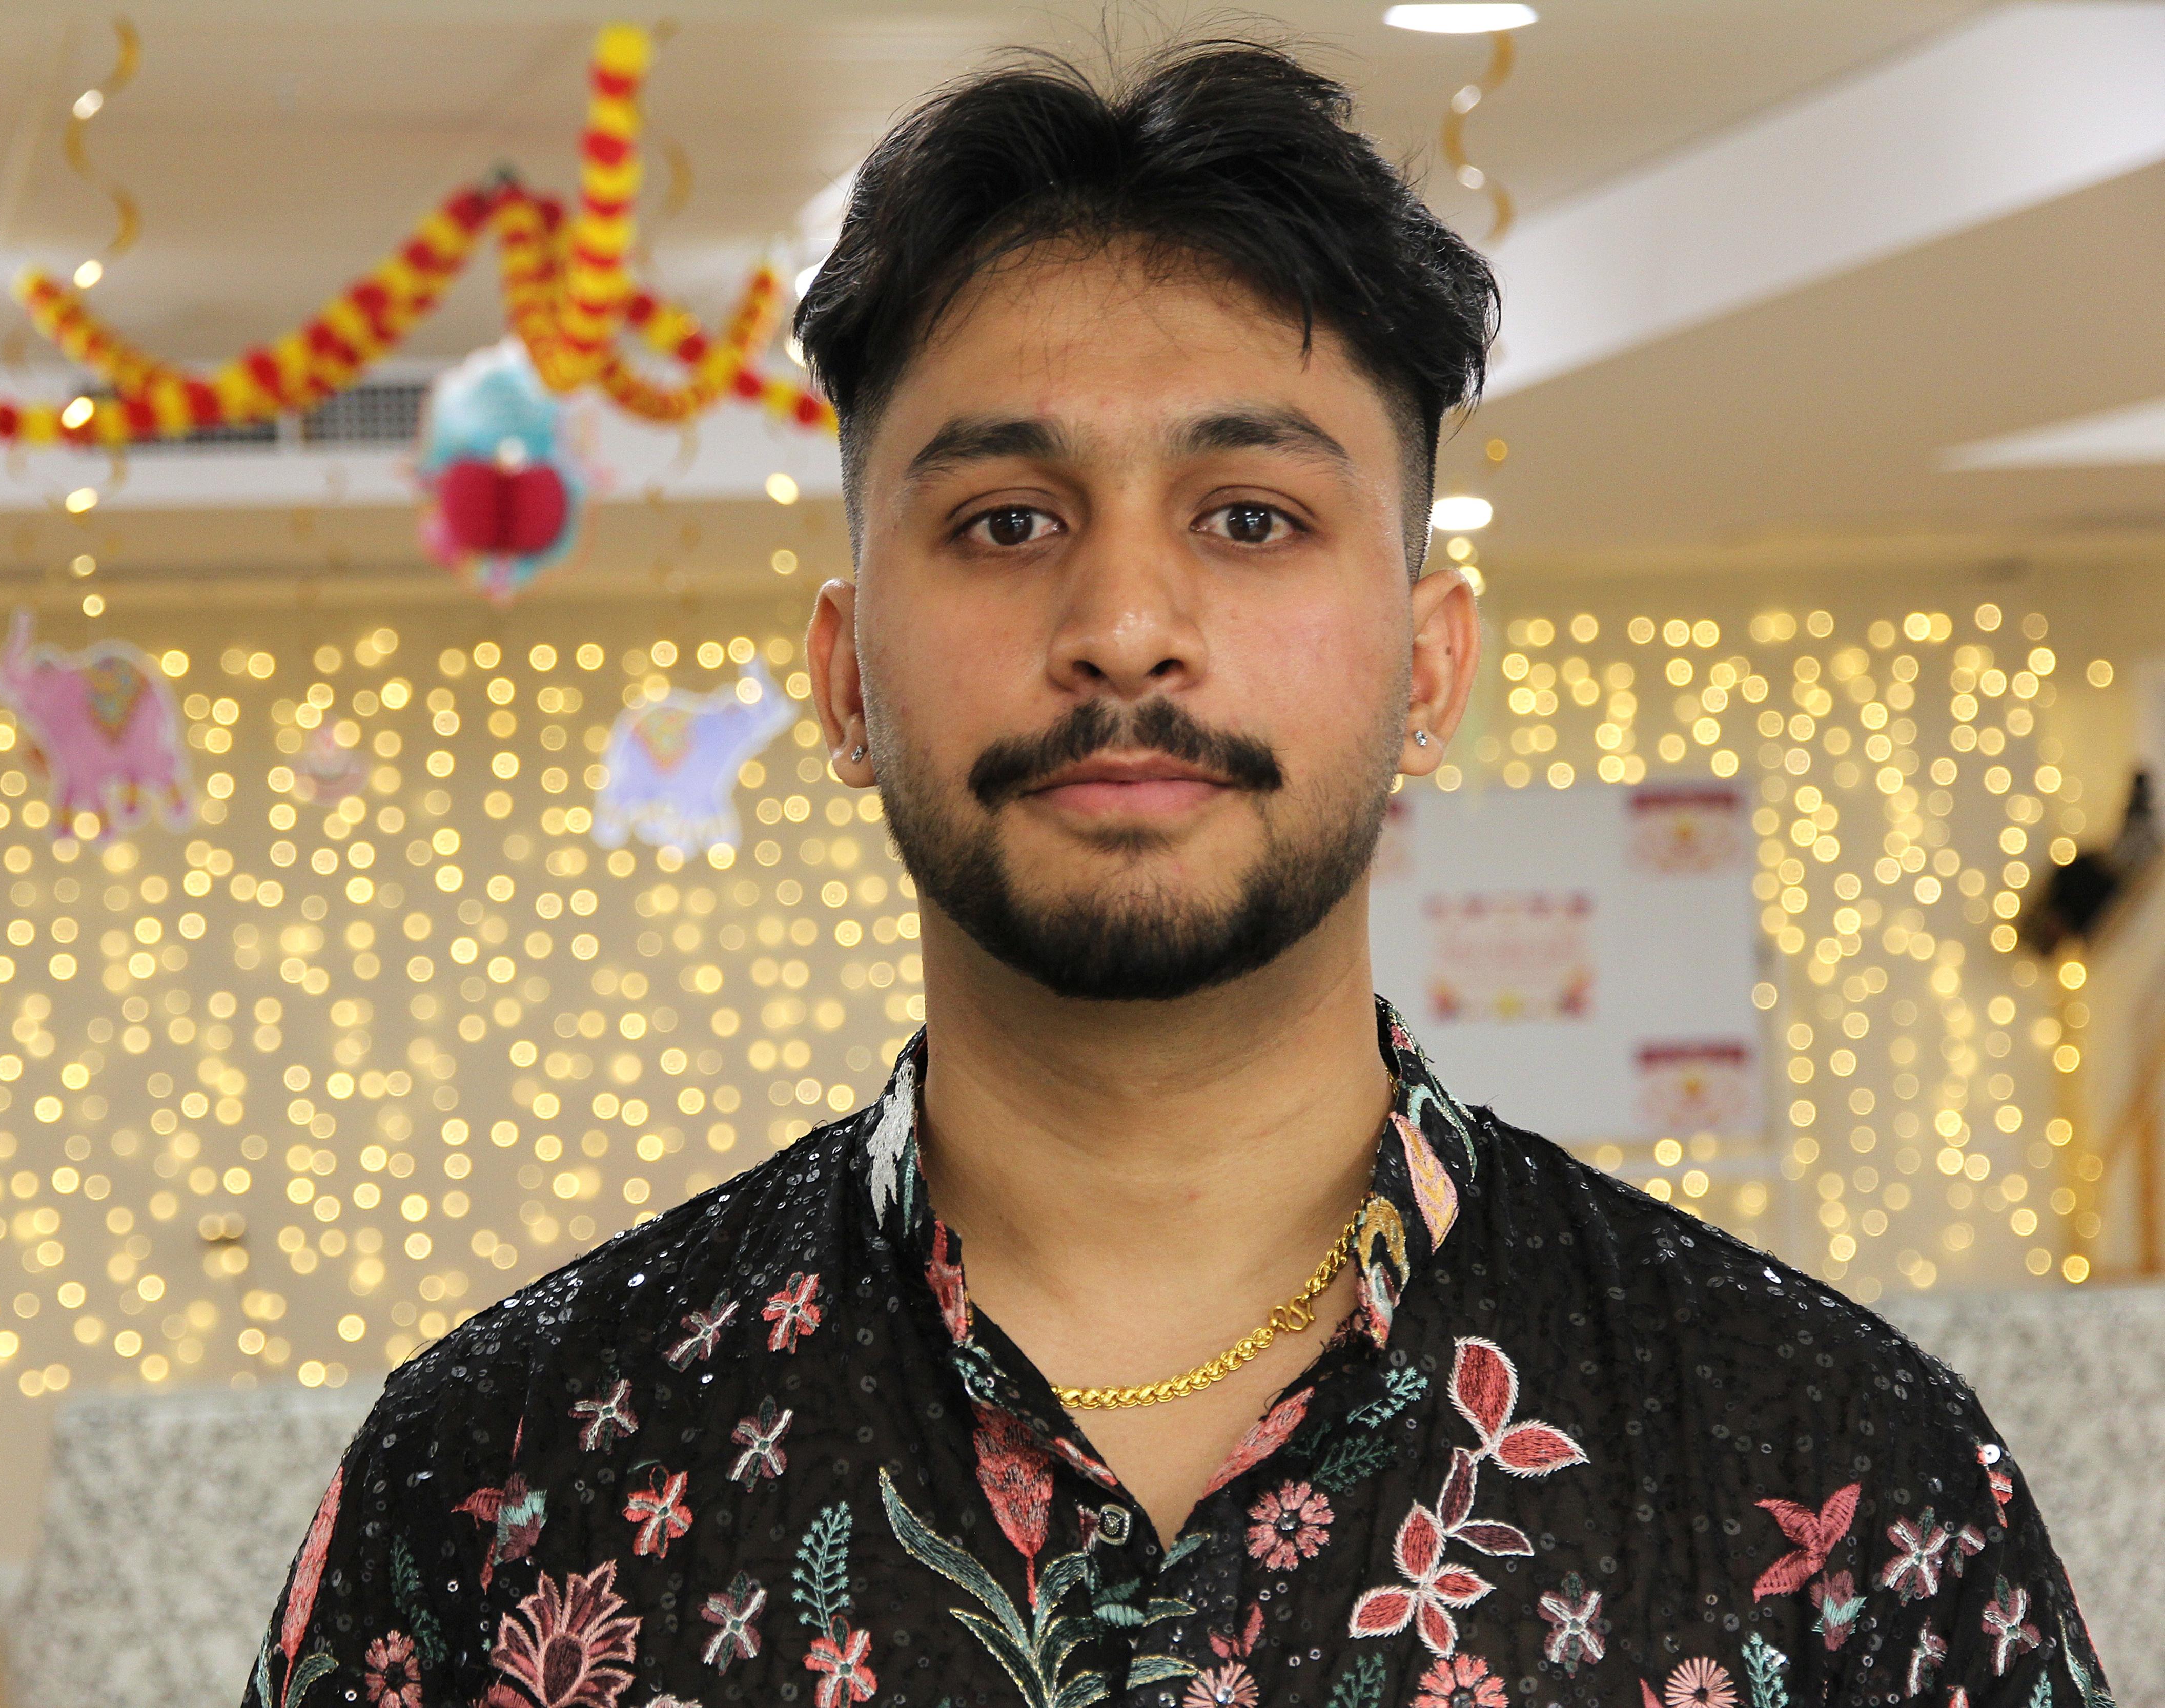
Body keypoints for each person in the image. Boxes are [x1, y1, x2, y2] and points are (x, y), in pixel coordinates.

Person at [241, 38, 2104, 1708]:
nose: (1125, 624)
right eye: (1006, 521)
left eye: (1250, 518)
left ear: (1430, 666)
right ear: (843, 680)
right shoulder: (498, 1487)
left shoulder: (1839, 1486)